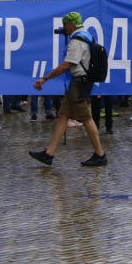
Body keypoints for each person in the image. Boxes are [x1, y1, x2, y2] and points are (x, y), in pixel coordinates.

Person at [28, 12, 107, 166]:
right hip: (76, 84)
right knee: (63, 116)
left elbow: (67, 64)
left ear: (71, 24)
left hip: (78, 84)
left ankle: (100, 154)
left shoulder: (76, 41)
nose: (64, 27)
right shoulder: (86, 36)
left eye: (65, 24)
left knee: (86, 118)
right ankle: (49, 154)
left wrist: (45, 78)